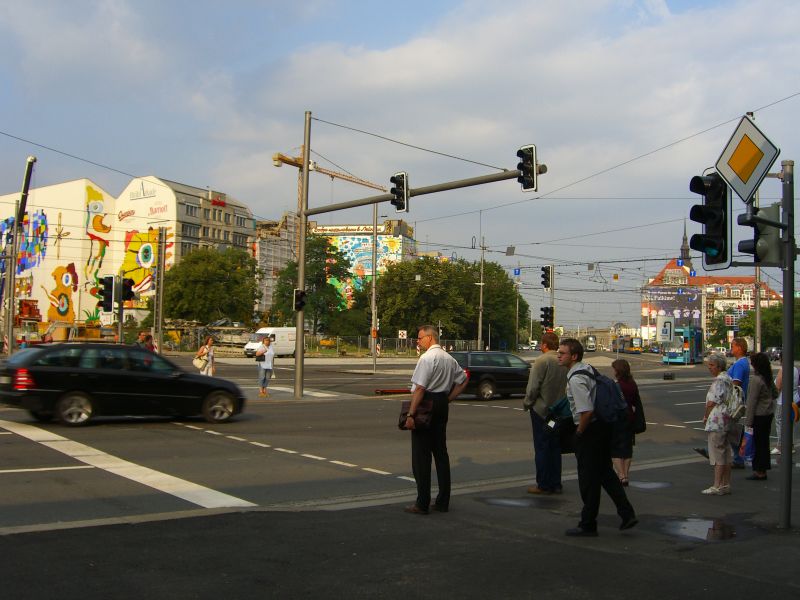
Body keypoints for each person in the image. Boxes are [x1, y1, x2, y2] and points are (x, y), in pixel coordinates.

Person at [557, 338, 637, 536]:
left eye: (562, 353)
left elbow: (586, 411)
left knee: (588, 480)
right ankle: (627, 513)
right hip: (603, 428)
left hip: (590, 431)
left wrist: (578, 433)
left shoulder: (576, 379)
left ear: (573, 356)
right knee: (606, 475)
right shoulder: (588, 369)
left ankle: (588, 524)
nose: (558, 355)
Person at [403, 325, 468, 515]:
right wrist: (448, 398)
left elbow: (420, 388)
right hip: (441, 403)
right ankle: (442, 501)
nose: (418, 341)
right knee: (441, 454)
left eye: (420, 338)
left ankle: (422, 503)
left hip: (426, 403)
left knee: (421, 456)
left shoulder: (427, 358)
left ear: (430, 338)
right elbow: (463, 380)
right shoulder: (449, 358)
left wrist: (410, 414)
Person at [523, 331, 567, 495]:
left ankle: (543, 484)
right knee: (555, 447)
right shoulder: (563, 361)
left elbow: (533, 387)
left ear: (544, 345)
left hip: (541, 411)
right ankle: (556, 483)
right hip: (559, 412)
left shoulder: (542, 361)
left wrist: (527, 403)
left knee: (541, 447)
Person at [701, 353, 735, 495]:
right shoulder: (728, 378)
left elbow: (711, 402)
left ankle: (717, 485)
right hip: (728, 419)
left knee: (717, 454)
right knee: (726, 452)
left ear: (719, 366)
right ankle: (726, 484)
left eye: (712, 365)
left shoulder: (718, 381)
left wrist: (706, 416)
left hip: (717, 420)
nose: (709, 368)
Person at [744, 352, 777, 481]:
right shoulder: (767, 377)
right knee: (764, 443)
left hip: (758, 415)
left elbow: (751, 402)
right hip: (768, 414)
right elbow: (775, 393)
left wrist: (748, 421)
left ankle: (759, 471)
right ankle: (763, 469)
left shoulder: (756, 380)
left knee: (758, 445)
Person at [611, 358, 639, 486]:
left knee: (615, 449)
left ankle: (621, 475)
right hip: (630, 418)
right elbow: (635, 402)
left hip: (618, 419)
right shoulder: (632, 384)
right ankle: (626, 475)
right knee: (627, 449)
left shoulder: (616, 385)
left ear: (618, 371)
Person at [727, 337, 750, 468]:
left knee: (728, 428)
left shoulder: (740, 364)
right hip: (737, 400)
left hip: (734, 401)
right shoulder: (742, 362)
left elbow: (736, 383)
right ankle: (736, 456)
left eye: (733, 346)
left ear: (739, 348)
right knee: (730, 428)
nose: (731, 348)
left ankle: (737, 457)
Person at [772, 365, 799, 454]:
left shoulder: (783, 370)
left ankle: (781, 446)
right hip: (794, 399)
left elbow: (778, 387)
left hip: (782, 400)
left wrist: (771, 396)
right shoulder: (795, 369)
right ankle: (790, 445)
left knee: (779, 421)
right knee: (791, 422)